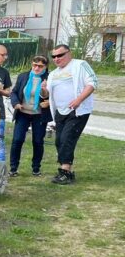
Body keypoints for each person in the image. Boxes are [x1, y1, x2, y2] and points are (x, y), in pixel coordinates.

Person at [46, 44, 97, 185]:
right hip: (60, 111)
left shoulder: (80, 65)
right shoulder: (53, 74)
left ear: (69, 53)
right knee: (59, 141)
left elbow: (92, 83)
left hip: (78, 110)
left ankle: (65, 172)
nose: (56, 59)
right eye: (54, 56)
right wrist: (43, 90)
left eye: (60, 55)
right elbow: (47, 95)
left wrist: (78, 100)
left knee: (67, 138)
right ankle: (65, 170)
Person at [9, 55, 51, 176]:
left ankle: (36, 168)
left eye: (40, 66)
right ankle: (13, 168)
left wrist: (48, 102)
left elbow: (55, 96)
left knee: (38, 141)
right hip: (23, 112)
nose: (37, 68)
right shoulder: (23, 76)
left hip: (39, 114)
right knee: (17, 140)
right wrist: (16, 103)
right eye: (34, 65)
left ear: (45, 66)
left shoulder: (49, 78)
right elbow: (14, 92)